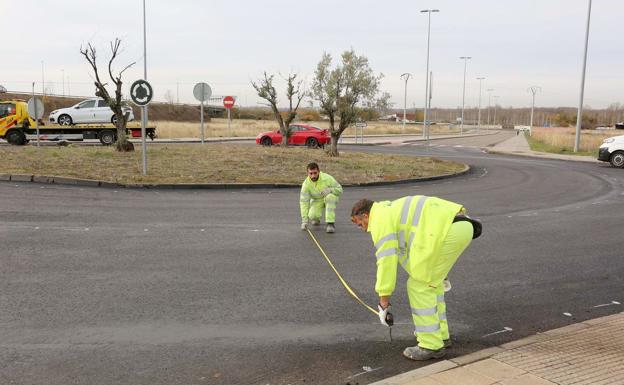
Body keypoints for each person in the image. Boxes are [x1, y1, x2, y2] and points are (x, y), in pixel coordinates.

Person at [350, 195, 479, 361]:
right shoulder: (389, 210)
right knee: (431, 283)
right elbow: (410, 254)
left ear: (366, 215)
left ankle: (431, 345)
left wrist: (384, 300)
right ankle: (439, 334)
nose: (363, 229)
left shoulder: (380, 220)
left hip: (446, 231)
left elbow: (386, 260)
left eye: (361, 224)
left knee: (419, 286)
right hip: (458, 226)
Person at [300, 162, 343, 233]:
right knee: (312, 216)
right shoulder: (306, 185)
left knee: (330, 197)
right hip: (317, 200)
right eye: (311, 173)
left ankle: (330, 224)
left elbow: (340, 190)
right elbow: (304, 202)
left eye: (315, 173)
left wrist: (330, 190)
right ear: (307, 173)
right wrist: (304, 221)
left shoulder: (327, 178)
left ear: (319, 171)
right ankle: (316, 218)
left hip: (329, 198)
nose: (313, 176)